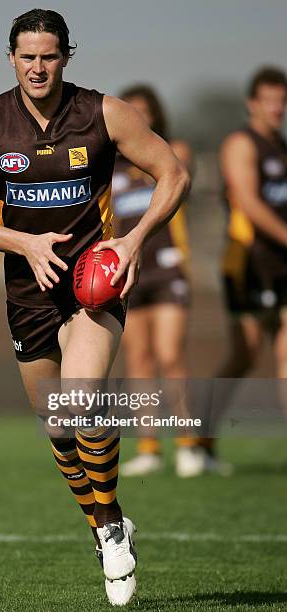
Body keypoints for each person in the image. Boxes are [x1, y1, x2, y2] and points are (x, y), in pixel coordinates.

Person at [0, 9, 189, 606]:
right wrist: (21, 242)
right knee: (56, 428)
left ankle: (109, 535)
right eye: (27, 56)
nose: (38, 66)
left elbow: (174, 175)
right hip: (26, 294)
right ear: (11, 57)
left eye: (49, 56)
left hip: (93, 288)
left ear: (66, 56)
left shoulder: (104, 113)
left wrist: (132, 241)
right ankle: (108, 520)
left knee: (81, 403)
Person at [112, 85, 204, 478]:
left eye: (144, 110)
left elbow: (180, 169)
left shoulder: (172, 152)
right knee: (139, 360)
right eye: (129, 111)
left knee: (170, 355)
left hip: (168, 268)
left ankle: (188, 444)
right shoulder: (109, 167)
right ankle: (149, 448)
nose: (138, 116)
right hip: (127, 272)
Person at [213, 66, 287, 460]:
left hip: (282, 261)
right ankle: (202, 435)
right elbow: (250, 204)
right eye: (269, 101)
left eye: (281, 101)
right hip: (247, 261)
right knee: (245, 353)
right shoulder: (241, 144)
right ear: (252, 103)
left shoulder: (282, 147)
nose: (276, 108)